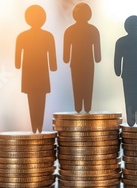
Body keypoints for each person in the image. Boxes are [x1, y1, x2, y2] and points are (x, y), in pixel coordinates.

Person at [15, 5, 57, 133]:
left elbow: (17, 58)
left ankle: (36, 126)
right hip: (40, 72)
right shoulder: (48, 36)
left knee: (33, 98)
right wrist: (53, 66)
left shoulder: (22, 36)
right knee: (39, 98)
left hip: (30, 72)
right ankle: (37, 125)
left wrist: (18, 65)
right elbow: (52, 58)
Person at [63, 3, 101, 113]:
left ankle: (78, 106)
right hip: (89, 62)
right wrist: (97, 58)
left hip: (75, 63)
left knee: (77, 84)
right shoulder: (93, 30)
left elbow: (66, 54)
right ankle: (87, 106)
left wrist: (66, 58)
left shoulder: (69, 30)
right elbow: (97, 55)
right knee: (88, 83)